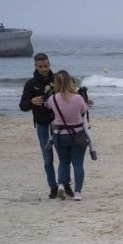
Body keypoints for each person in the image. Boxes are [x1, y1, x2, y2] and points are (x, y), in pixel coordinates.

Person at [44, 70, 89, 201]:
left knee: (63, 162)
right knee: (78, 164)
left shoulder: (53, 98)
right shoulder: (78, 98)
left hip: (59, 134)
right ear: (71, 82)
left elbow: (46, 105)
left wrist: (50, 90)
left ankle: (61, 185)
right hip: (78, 134)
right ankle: (78, 193)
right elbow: (84, 111)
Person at [18, 52, 58, 199]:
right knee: (48, 159)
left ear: (50, 64)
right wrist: (31, 102)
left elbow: (70, 97)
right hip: (42, 125)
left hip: (59, 124)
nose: (44, 69)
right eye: (40, 66)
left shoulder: (57, 80)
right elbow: (22, 106)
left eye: (46, 66)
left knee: (64, 157)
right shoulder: (30, 84)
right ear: (35, 66)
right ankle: (53, 187)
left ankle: (64, 185)